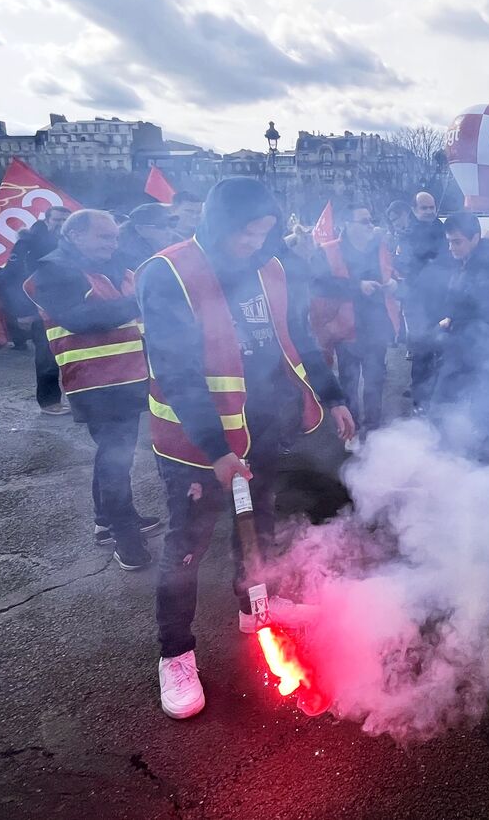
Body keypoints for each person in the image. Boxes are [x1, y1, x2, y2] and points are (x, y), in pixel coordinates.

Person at [138, 178, 355, 720]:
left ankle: (255, 603)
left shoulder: (272, 268)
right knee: (187, 547)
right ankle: (175, 654)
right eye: (246, 233)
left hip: (262, 429)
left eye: (264, 233)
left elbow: (297, 340)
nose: (255, 244)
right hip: (195, 444)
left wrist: (333, 396)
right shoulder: (168, 272)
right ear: (219, 224)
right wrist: (216, 449)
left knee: (258, 524)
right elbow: (177, 371)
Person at [24, 210, 161, 569]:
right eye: (104, 237)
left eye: (114, 237)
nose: (112, 244)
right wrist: (142, 298)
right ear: (75, 234)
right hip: (94, 382)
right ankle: (124, 535)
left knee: (117, 454)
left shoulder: (112, 267)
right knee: (115, 457)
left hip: (126, 377)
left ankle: (107, 520)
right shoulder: (53, 270)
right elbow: (81, 318)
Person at [432, 211, 489, 457]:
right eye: (449, 242)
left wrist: (453, 323)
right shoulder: (466, 263)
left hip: (485, 354)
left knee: (487, 412)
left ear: (475, 238)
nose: (451, 247)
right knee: (458, 407)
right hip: (466, 347)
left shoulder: (488, 271)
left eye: (457, 242)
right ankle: (461, 456)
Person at [311, 205, 401, 436]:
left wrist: (395, 283)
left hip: (377, 327)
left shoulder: (380, 249)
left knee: (375, 380)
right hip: (345, 328)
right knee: (349, 382)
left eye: (371, 219)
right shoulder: (329, 250)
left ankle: (373, 429)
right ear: (347, 225)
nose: (371, 225)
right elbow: (319, 283)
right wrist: (357, 286)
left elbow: (394, 273)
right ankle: (352, 430)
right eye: (364, 221)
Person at [2, 204, 73, 414]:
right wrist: (24, 311)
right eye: (57, 220)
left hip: (67, 306)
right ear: (47, 220)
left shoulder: (69, 243)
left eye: (65, 220)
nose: (61, 224)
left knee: (70, 354)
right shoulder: (28, 242)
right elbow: (14, 278)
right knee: (46, 356)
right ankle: (49, 401)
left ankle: (76, 397)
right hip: (39, 307)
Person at [396, 191, 452, 410]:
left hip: (444, 300)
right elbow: (405, 266)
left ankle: (440, 400)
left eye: (432, 207)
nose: (429, 212)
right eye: (424, 208)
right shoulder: (407, 235)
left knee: (445, 351)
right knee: (422, 352)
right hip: (419, 303)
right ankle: (419, 402)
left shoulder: (445, 231)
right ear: (414, 210)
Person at [116, 202, 179, 272]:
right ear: (140, 229)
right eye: (161, 226)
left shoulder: (178, 244)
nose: (169, 232)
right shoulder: (128, 259)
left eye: (172, 225)